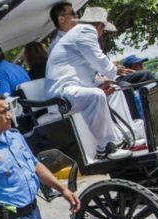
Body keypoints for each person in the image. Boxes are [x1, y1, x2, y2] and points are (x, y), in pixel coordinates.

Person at [45, 7, 134, 160]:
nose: (102, 32)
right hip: (61, 92)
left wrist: (100, 82)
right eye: (103, 28)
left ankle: (122, 139)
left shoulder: (78, 33)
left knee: (113, 90)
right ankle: (104, 148)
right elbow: (98, 59)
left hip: (72, 87)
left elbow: (87, 69)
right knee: (96, 95)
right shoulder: (85, 30)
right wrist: (113, 71)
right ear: (99, 25)